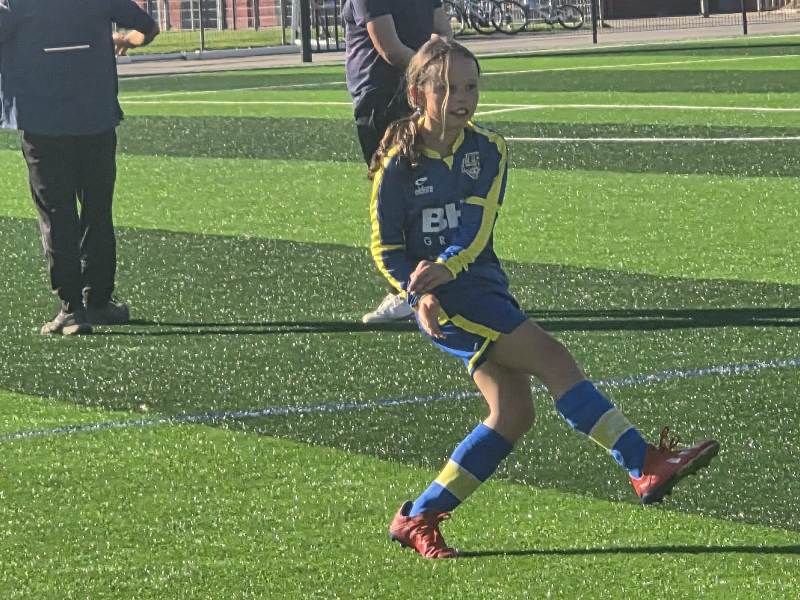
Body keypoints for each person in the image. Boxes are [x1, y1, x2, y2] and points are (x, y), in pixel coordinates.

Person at [369, 39, 721, 559]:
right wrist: (416, 292)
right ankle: (641, 462)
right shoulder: (397, 166)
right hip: (448, 302)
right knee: (553, 358)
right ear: (418, 94)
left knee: (512, 413)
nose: (461, 98)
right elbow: (386, 248)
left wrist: (444, 268)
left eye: (470, 86)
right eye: (446, 88)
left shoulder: (488, 149)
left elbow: (475, 227)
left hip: (479, 284)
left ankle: (418, 516)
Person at [0, 0, 159, 335]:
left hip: (41, 120)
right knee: (97, 210)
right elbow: (147, 27)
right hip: (95, 116)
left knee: (56, 213)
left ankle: (71, 309)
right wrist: (125, 40)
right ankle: (98, 301)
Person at [342, 0, 452, 324]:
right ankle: (433, 283)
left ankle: (407, 290)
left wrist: (429, 76)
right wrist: (436, 74)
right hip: (411, 96)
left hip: (382, 99)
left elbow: (390, 49)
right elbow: (443, 32)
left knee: (394, 198)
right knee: (423, 193)